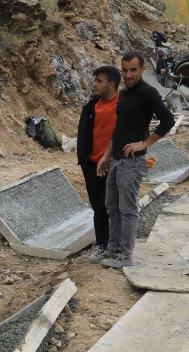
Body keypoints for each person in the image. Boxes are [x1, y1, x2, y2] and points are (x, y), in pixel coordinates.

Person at [97, 52, 176, 269]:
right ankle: (112, 250)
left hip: (132, 163)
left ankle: (125, 254)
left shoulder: (148, 93)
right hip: (117, 160)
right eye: (124, 70)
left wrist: (144, 144)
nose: (128, 74)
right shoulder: (123, 93)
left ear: (142, 69)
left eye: (133, 70)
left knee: (128, 209)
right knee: (111, 207)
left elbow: (168, 120)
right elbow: (119, 128)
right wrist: (106, 156)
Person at [76, 65, 121, 264]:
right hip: (92, 164)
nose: (94, 84)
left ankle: (118, 246)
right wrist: (84, 159)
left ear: (111, 84)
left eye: (99, 81)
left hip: (115, 164)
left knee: (112, 205)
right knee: (98, 206)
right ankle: (102, 245)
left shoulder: (124, 105)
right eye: (94, 80)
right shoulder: (92, 106)